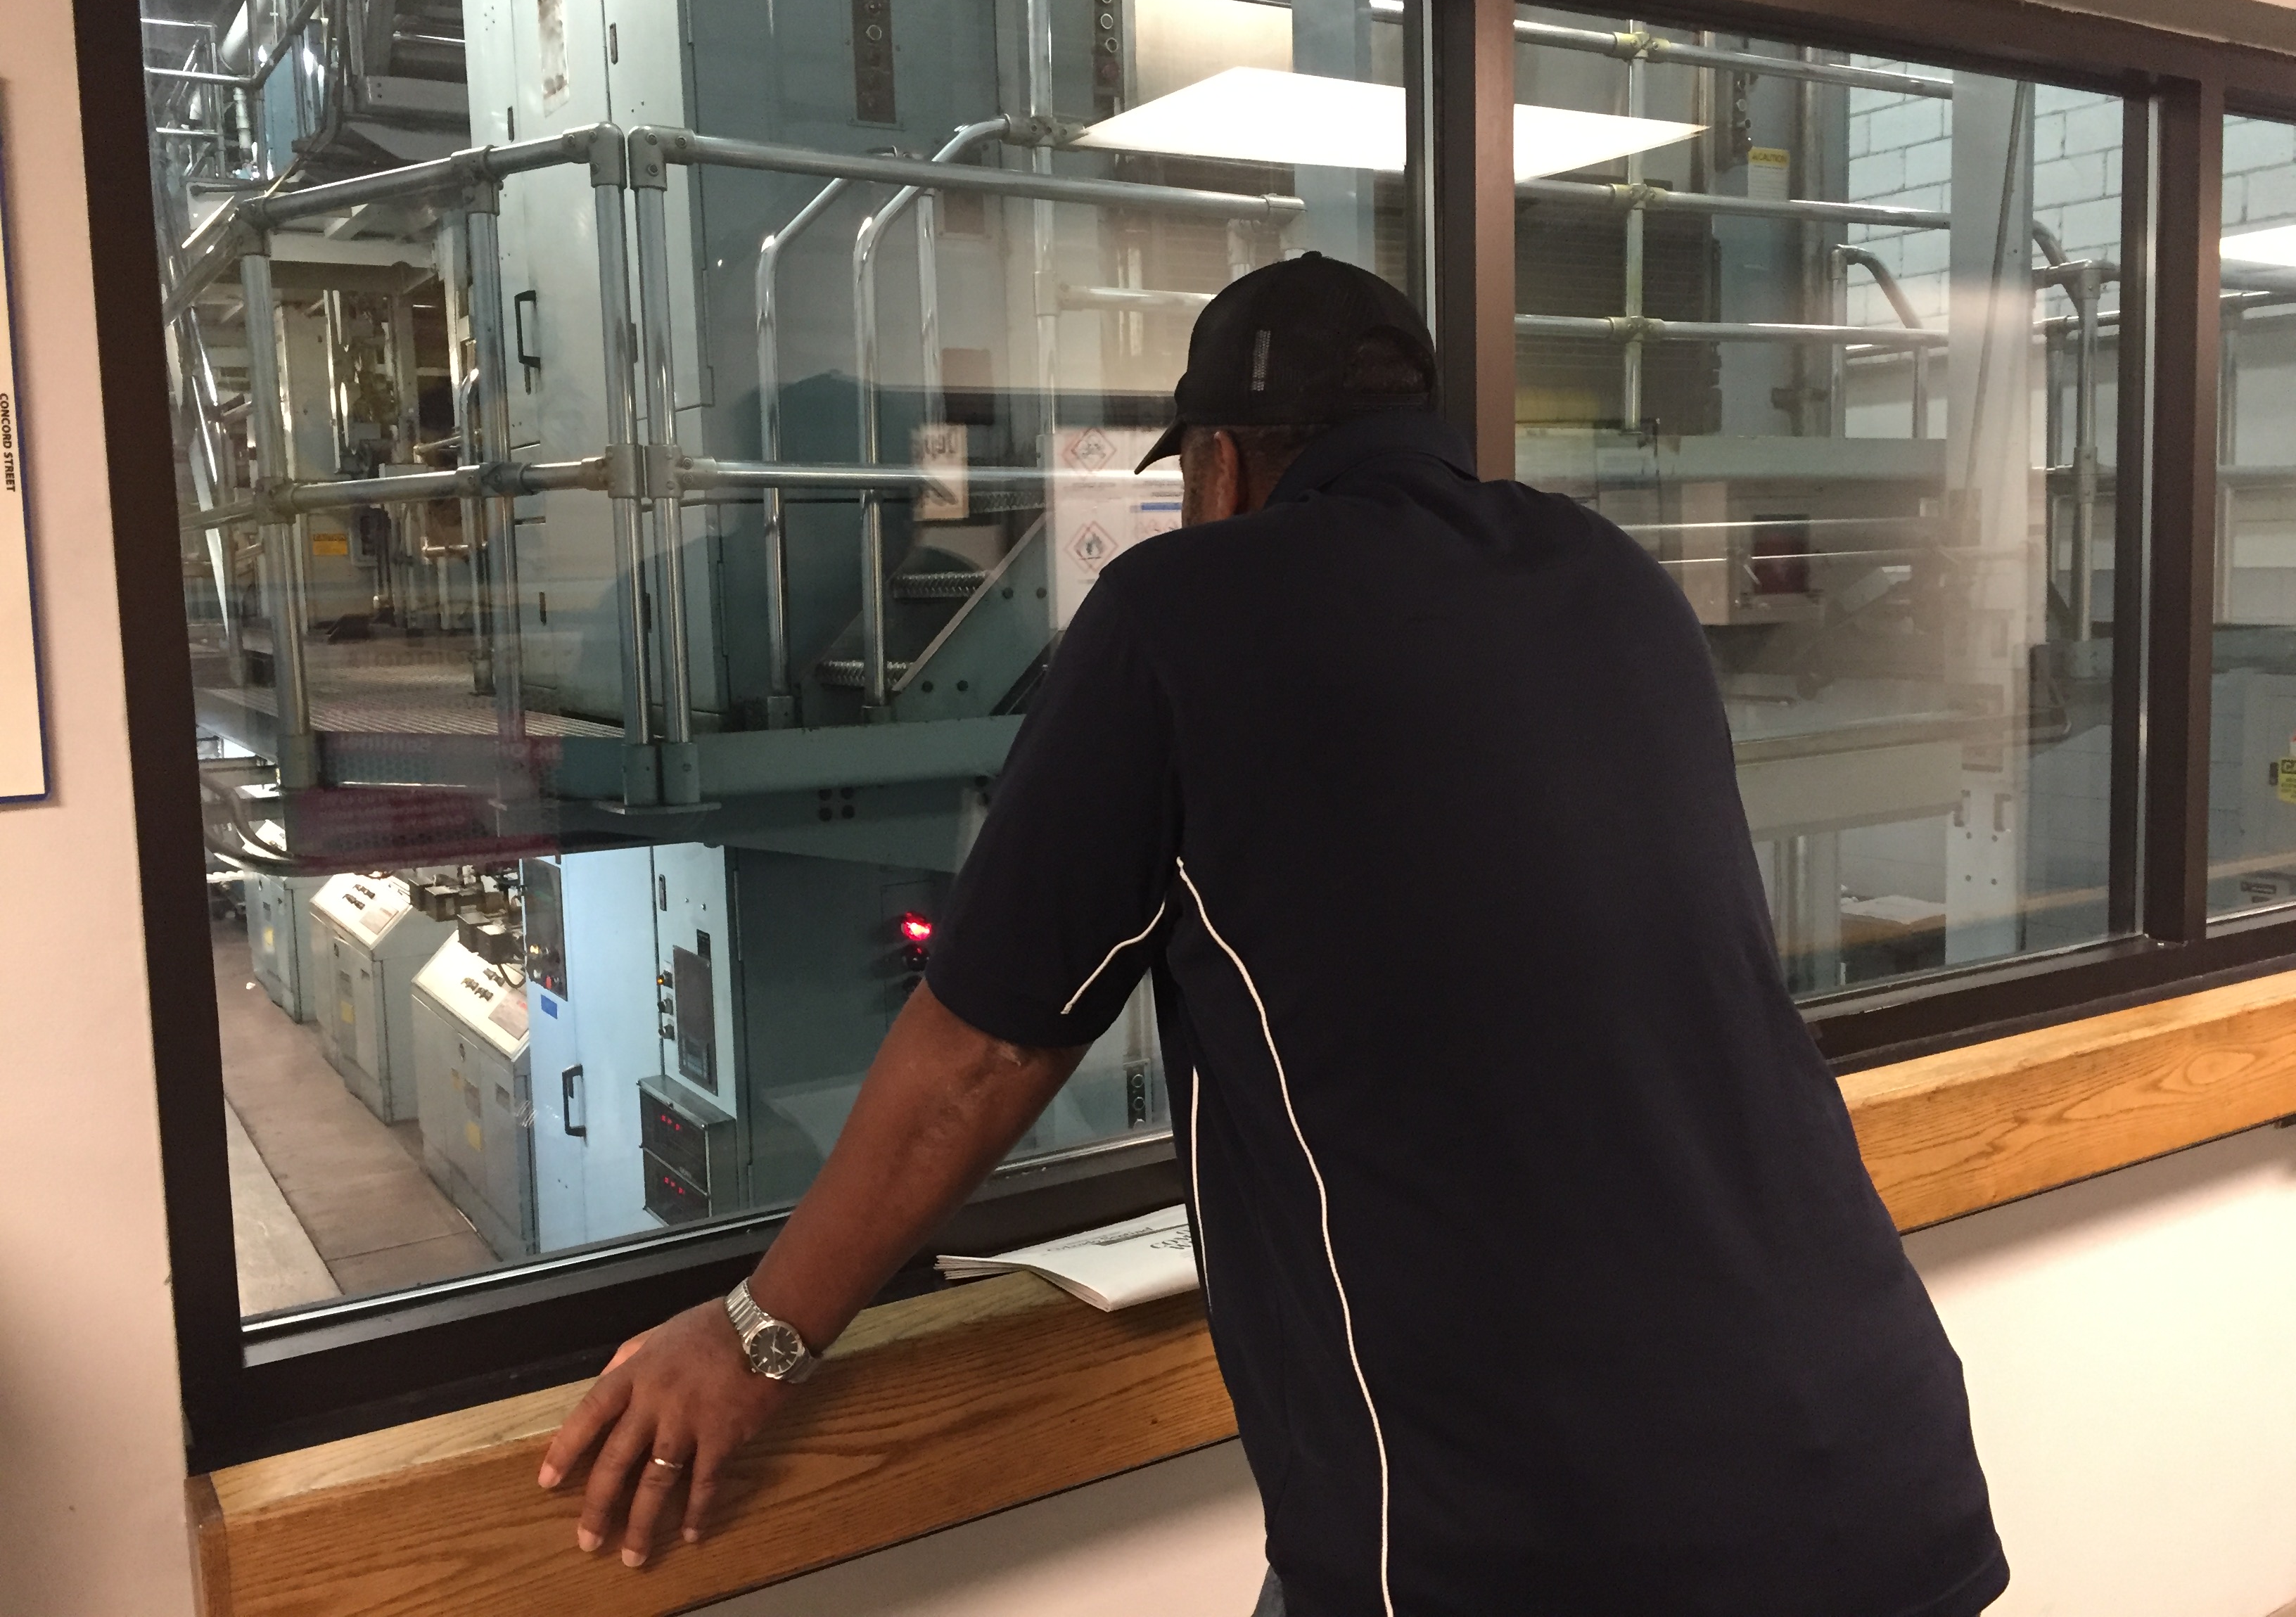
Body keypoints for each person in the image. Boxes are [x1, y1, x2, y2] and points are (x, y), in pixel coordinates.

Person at [540, 253, 2008, 1617]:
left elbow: (986, 1051)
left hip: (1536, 1533)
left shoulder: (1181, 612)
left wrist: (754, 1335)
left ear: (1225, 465)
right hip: (1870, 1456)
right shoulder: (1613, 582)